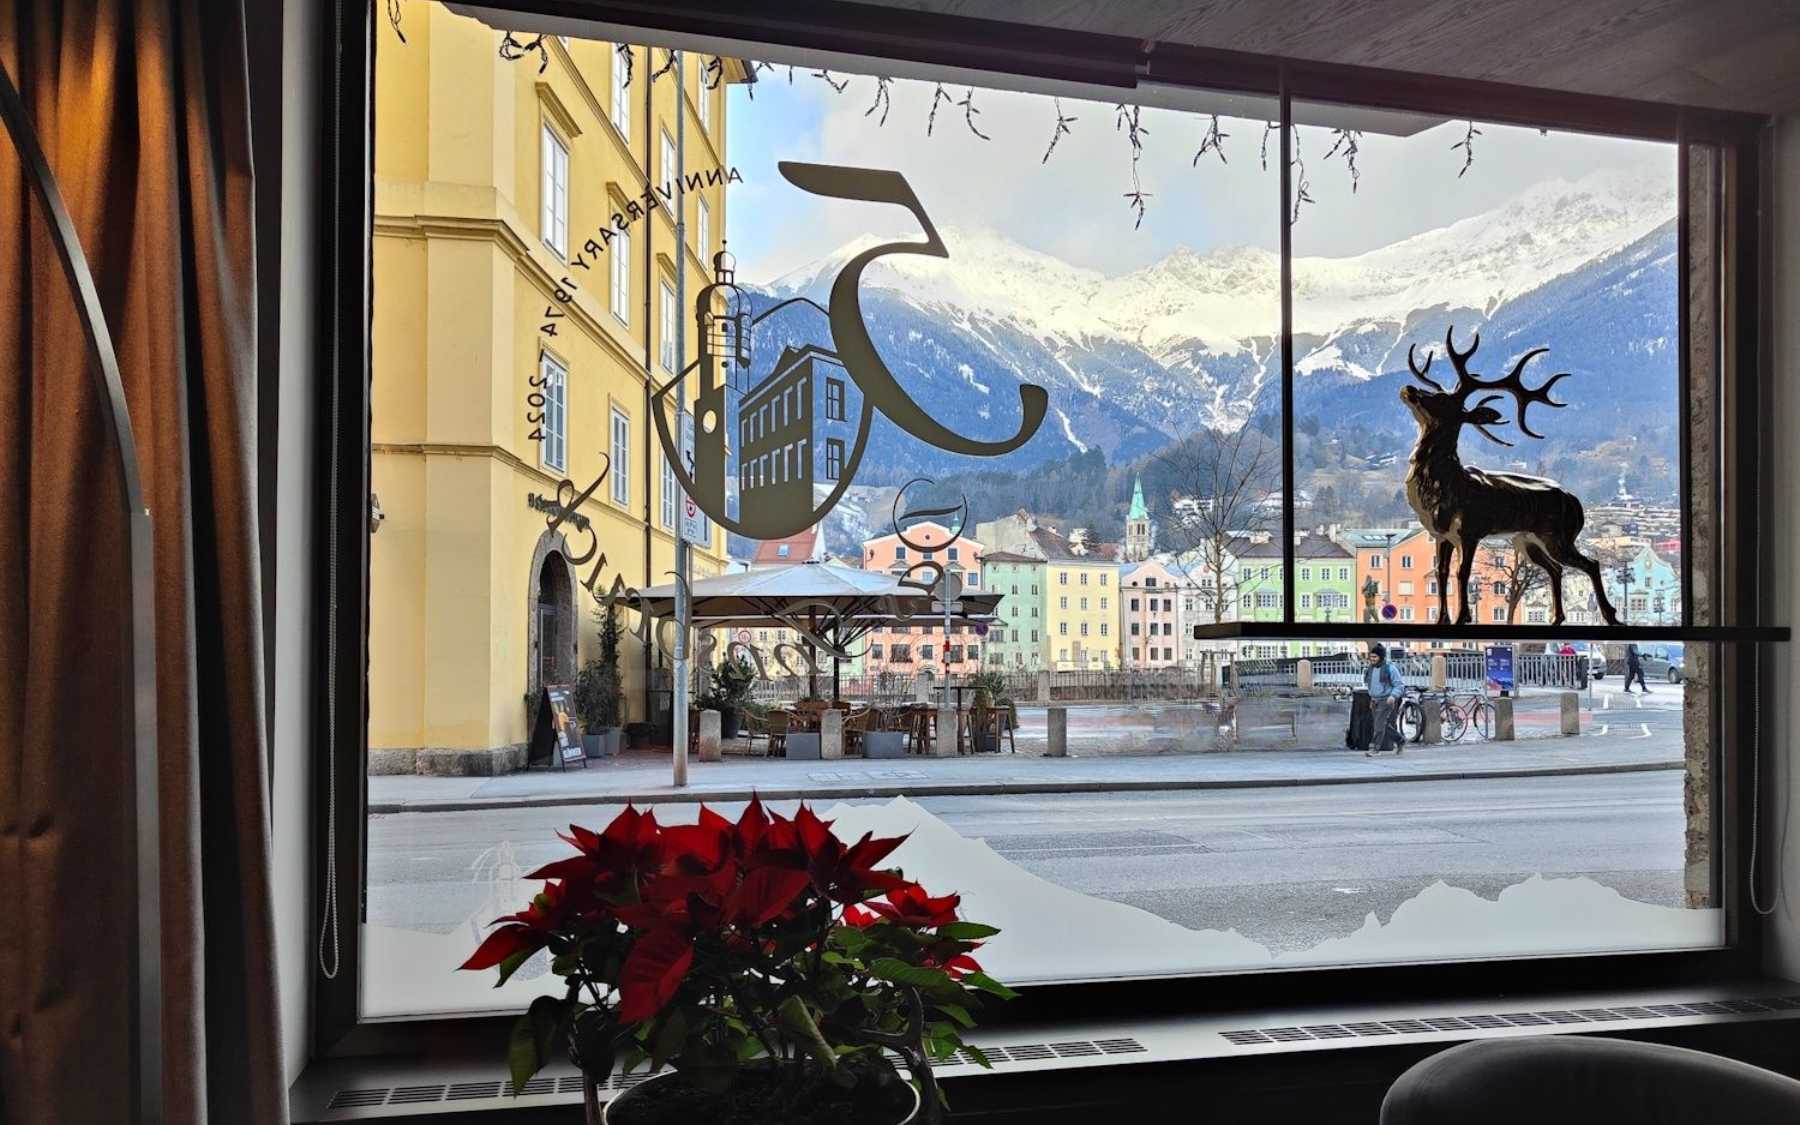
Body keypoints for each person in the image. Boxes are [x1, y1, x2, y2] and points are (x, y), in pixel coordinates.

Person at [1364, 641, 1405, 756]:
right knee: (1382, 724)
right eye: (1371, 656)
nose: (1372, 659)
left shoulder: (1390, 668)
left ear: (1381, 657)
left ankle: (1375, 749)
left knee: (1378, 725)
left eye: (1375, 657)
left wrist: (1393, 696)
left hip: (1386, 700)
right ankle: (1400, 741)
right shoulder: (1370, 668)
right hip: (1374, 700)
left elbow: (1399, 685)